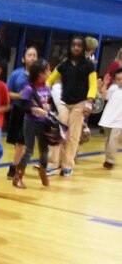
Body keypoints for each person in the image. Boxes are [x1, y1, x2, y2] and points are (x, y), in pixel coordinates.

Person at [46, 36, 97, 177]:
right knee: (58, 133)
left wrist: (89, 101)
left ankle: (67, 165)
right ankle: (53, 164)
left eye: (79, 45)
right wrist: (43, 95)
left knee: (73, 137)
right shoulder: (64, 64)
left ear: (83, 48)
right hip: (63, 102)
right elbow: (49, 79)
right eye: (73, 45)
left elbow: (93, 85)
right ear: (70, 47)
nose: (76, 47)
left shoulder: (89, 66)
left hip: (79, 104)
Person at [12, 58, 53, 189]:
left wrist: (50, 109)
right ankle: (17, 176)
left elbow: (50, 103)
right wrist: (33, 109)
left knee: (44, 151)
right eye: (48, 70)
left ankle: (43, 171)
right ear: (41, 73)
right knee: (28, 150)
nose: (50, 72)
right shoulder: (29, 89)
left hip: (44, 123)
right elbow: (21, 106)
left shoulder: (47, 88)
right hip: (30, 122)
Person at [5, 46, 39, 179]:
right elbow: (8, 93)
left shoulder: (40, 77)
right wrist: (20, 96)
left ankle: (15, 167)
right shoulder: (15, 74)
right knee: (17, 143)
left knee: (23, 142)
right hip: (18, 110)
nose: (32, 57)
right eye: (29, 55)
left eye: (34, 55)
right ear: (23, 59)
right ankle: (16, 166)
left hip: (31, 112)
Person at [99, 68, 122, 169]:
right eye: (118, 79)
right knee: (108, 140)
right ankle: (107, 158)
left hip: (119, 121)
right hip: (108, 118)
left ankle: (110, 160)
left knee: (113, 139)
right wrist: (104, 85)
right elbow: (104, 96)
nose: (120, 81)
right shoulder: (113, 88)